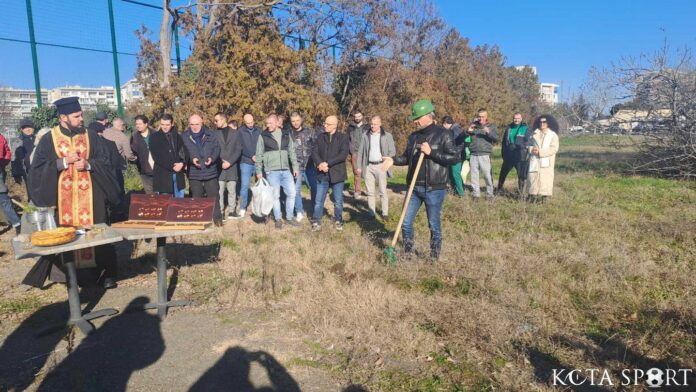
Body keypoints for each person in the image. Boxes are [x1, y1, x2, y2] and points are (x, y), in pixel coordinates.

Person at [28, 97, 121, 289]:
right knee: (67, 236)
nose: (81, 119)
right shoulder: (49, 139)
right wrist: (62, 163)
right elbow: (36, 171)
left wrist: (88, 164)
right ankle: (70, 276)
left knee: (97, 235)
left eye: (81, 115)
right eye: (76, 116)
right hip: (65, 202)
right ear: (63, 117)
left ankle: (105, 275)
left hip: (92, 198)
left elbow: (107, 161)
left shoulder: (91, 136)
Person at [393, 99, 459, 261]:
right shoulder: (413, 137)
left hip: (434, 189)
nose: (415, 121)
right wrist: (392, 160)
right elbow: (406, 158)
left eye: (417, 118)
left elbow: (454, 158)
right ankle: (408, 253)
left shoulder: (444, 134)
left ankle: (434, 257)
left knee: (433, 225)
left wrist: (431, 153)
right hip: (414, 188)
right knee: (406, 222)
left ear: (429, 116)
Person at [255, 114, 299, 229]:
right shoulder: (263, 136)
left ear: (276, 122)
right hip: (271, 171)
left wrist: (295, 166)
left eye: (270, 123)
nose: (268, 125)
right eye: (267, 123)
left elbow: (292, 151)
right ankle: (278, 219)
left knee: (292, 193)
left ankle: (289, 217)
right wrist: (258, 170)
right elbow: (259, 154)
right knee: (275, 196)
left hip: (286, 170)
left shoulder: (286, 134)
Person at [182, 114, 223, 226]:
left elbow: (217, 149)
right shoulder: (184, 136)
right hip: (194, 172)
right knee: (196, 197)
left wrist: (212, 158)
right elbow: (183, 152)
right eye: (192, 124)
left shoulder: (211, 134)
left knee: (214, 196)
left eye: (197, 124)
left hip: (210, 170)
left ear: (202, 123)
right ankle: (198, 221)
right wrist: (191, 159)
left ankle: (217, 219)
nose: (194, 127)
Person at [311, 115, 350, 232]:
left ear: (334, 125)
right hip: (322, 174)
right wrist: (320, 164)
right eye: (324, 123)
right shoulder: (320, 137)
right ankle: (316, 221)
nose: (324, 125)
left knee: (338, 201)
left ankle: (338, 220)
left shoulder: (343, 138)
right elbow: (314, 152)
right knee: (318, 201)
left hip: (337, 174)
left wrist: (327, 163)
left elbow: (343, 154)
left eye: (327, 124)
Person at [355, 116, 396, 220]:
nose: (372, 126)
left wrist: (387, 161)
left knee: (383, 190)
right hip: (368, 166)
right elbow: (360, 152)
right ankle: (371, 213)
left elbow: (393, 151)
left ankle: (385, 213)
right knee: (370, 192)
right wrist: (359, 166)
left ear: (380, 124)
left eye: (375, 124)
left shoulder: (387, 136)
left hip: (381, 166)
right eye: (371, 124)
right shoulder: (365, 135)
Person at [150, 114, 187, 197]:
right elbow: (156, 157)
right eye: (162, 124)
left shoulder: (178, 136)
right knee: (166, 203)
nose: (164, 127)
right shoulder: (154, 137)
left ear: (172, 124)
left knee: (179, 203)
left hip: (178, 174)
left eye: (167, 125)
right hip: (163, 175)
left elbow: (184, 152)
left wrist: (182, 163)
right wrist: (172, 166)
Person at [213, 112, 242, 219]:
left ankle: (232, 211)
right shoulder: (214, 134)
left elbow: (238, 149)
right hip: (219, 166)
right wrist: (221, 162)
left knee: (232, 190)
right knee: (219, 191)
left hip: (232, 166)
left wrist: (230, 162)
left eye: (217, 120)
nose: (215, 123)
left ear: (223, 120)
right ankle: (220, 212)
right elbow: (213, 149)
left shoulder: (235, 133)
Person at [289, 111, 316, 222]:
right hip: (297, 167)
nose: (295, 123)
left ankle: (315, 210)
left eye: (297, 120)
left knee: (314, 188)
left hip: (310, 166)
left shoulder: (309, 132)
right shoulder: (289, 134)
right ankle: (299, 211)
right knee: (296, 190)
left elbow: (316, 147)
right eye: (293, 121)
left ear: (301, 120)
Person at [467, 109, 498, 200]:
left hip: (485, 154)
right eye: (479, 116)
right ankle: (476, 194)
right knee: (474, 175)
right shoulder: (474, 125)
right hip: (473, 154)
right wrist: (468, 131)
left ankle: (489, 194)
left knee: (487, 175)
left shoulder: (491, 126)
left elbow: (496, 138)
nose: (481, 118)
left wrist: (489, 132)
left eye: (483, 116)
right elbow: (466, 135)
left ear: (486, 116)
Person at [527, 115, 559, 202]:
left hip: (546, 162)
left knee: (545, 180)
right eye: (540, 122)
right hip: (535, 161)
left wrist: (540, 152)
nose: (542, 124)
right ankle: (531, 197)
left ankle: (544, 199)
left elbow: (554, 149)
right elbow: (528, 145)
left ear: (548, 123)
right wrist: (531, 149)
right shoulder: (534, 134)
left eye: (544, 122)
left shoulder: (553, 135)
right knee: (533, 178)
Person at [498, 112, 530, 194]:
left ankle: (521, 194)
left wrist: (517, 146)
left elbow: (528, 142)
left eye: (518, 118)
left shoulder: (525, 128)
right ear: (513, 119)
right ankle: (498, 190)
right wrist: (503, 154)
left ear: (521, 119)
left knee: (521, 176)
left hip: (520, 155)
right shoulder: (509, 128)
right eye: (515, 118)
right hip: (509, 155)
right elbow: (504, 142)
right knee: (503, 173)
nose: (516, 120)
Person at [103, 117, 136, 195]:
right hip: (116, 165)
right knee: (119, 188)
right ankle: (121, 205)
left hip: (104, 165)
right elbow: (128, 155)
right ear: (122, 125)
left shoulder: (105, 132)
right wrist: (135, 159)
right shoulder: (123, 137)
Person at [238, 114, 261, 218]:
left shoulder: (259, 130)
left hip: (258, 162)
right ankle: (243, 207)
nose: (250, 124)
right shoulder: (240, 131)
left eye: (252, 122)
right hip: (245, 161)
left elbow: (262, 145)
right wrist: (251, 155)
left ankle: (258, 205)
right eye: (248, 123)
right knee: (244, 185)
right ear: (244, 122)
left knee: (259, 185)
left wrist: (258, 156)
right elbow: (240, 147)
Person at [0, 132, 20, 234]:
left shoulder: (1, 137)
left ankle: (17, 224)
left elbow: (7, 152)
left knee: (3, 198)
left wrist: (2, 163)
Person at [131, 115, 156, 194]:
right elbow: (132, 152)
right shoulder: (134, 137)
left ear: (146, 124)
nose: (138, 126)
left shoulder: (155, 134)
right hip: (144, 169)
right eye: (136, 124)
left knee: (159, 193)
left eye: (140, 124)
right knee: (149, 193)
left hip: (158, 168)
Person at [441, 116, 466, 197]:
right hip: (452, 155)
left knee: (455, 174)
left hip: (456, 155)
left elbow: (458, 142)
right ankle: (456, 190)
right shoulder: (453, 129)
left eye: (442, 124)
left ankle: (461, 193)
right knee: (452, 174)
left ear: (445, 123)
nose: (442, 126)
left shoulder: (455, 130)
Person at [347, 111, 369, 198]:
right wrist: (350, 150)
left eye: (359, 116)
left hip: (366, 152)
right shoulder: (350, 127)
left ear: (362, 116)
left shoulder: (367, 126)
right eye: (356, 116)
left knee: (368, 172)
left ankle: (368, 190)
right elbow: (347, 139)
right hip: (355, 152)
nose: (357, 118)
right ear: (354, 117)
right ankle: (357, 191)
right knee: (356, 172)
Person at [13, 118, 36, 200]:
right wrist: (16, 173)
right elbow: (14, 159)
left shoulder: (39, 139)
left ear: (33, 128)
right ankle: (33, 205)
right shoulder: (18, 141)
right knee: (31, 190)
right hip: (27, 170)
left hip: (40, 168)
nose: (28, 129)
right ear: (22, 130)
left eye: (29, 127)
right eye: (25, 127)